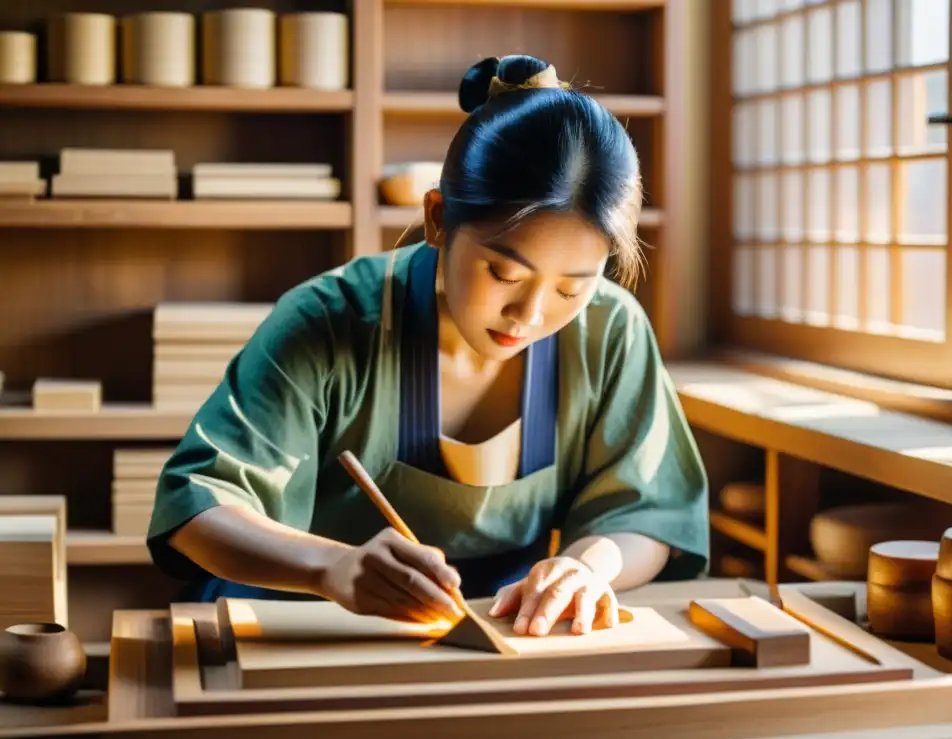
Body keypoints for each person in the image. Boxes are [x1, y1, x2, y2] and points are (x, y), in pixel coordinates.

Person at [147, 54, 710, 638]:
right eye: (503, 274)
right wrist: (332, 566)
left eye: (573, 287)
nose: (531, 314)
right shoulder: (328, 320)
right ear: (438, 220)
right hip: (309, 620)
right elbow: (199, 505)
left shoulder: (610, 329)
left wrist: (586, 568)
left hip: (504, 624)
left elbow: (649, 513)